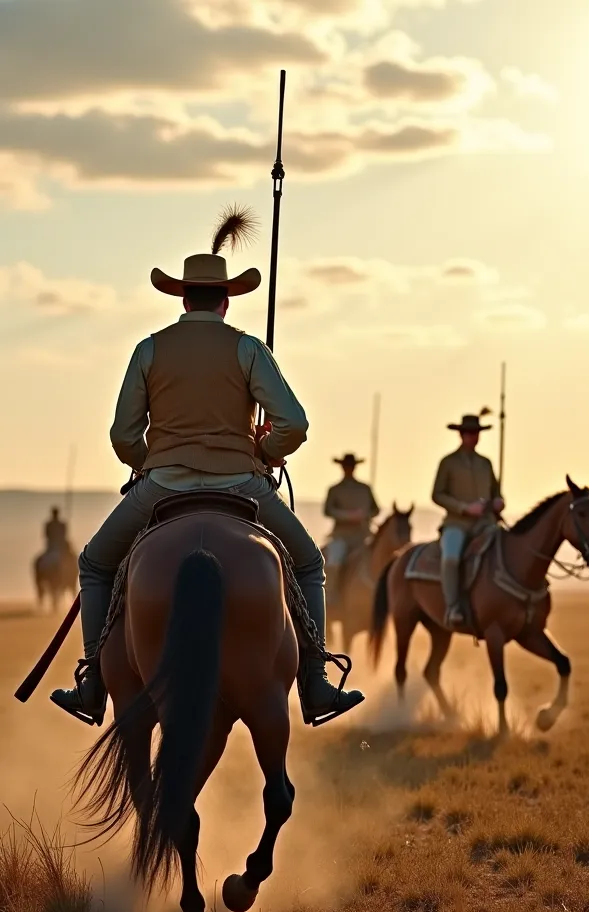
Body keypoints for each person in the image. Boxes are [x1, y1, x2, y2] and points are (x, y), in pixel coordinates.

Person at [50, 211, 364, 726]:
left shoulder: (148, 350)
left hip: (161, 486)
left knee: (94, 564)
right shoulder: (247, 348)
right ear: (225, 300)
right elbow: (295, 424)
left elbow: (122, 436)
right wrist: (264, 454)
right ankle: (316, 683)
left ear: (181, 298)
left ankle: (93, 687)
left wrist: (151, 463)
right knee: (308, 564)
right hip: (243, 485)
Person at [431, 413, 505, 627]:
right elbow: (437, 494)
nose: (473, 437)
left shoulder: (486, 463)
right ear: (461, 435)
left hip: (486, 523)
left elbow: (496, 492)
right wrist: (464, 508)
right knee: (451, 558)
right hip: (457, 524)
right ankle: (453, 606)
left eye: (476, 433)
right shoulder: (448, 462)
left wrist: (499, 502)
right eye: (469, 433)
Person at [323, 454, 380, 608]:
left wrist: (364, 515)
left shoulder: (365, 488)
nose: (349, 469)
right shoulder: (335, 489)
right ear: (342, 467)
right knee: (335, 560)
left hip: (363, 536)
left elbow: (376, 510)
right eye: (347, 466)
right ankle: (330, 595)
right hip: (341, 536)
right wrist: (348, 516)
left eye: (351, 466)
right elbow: (328, 510)